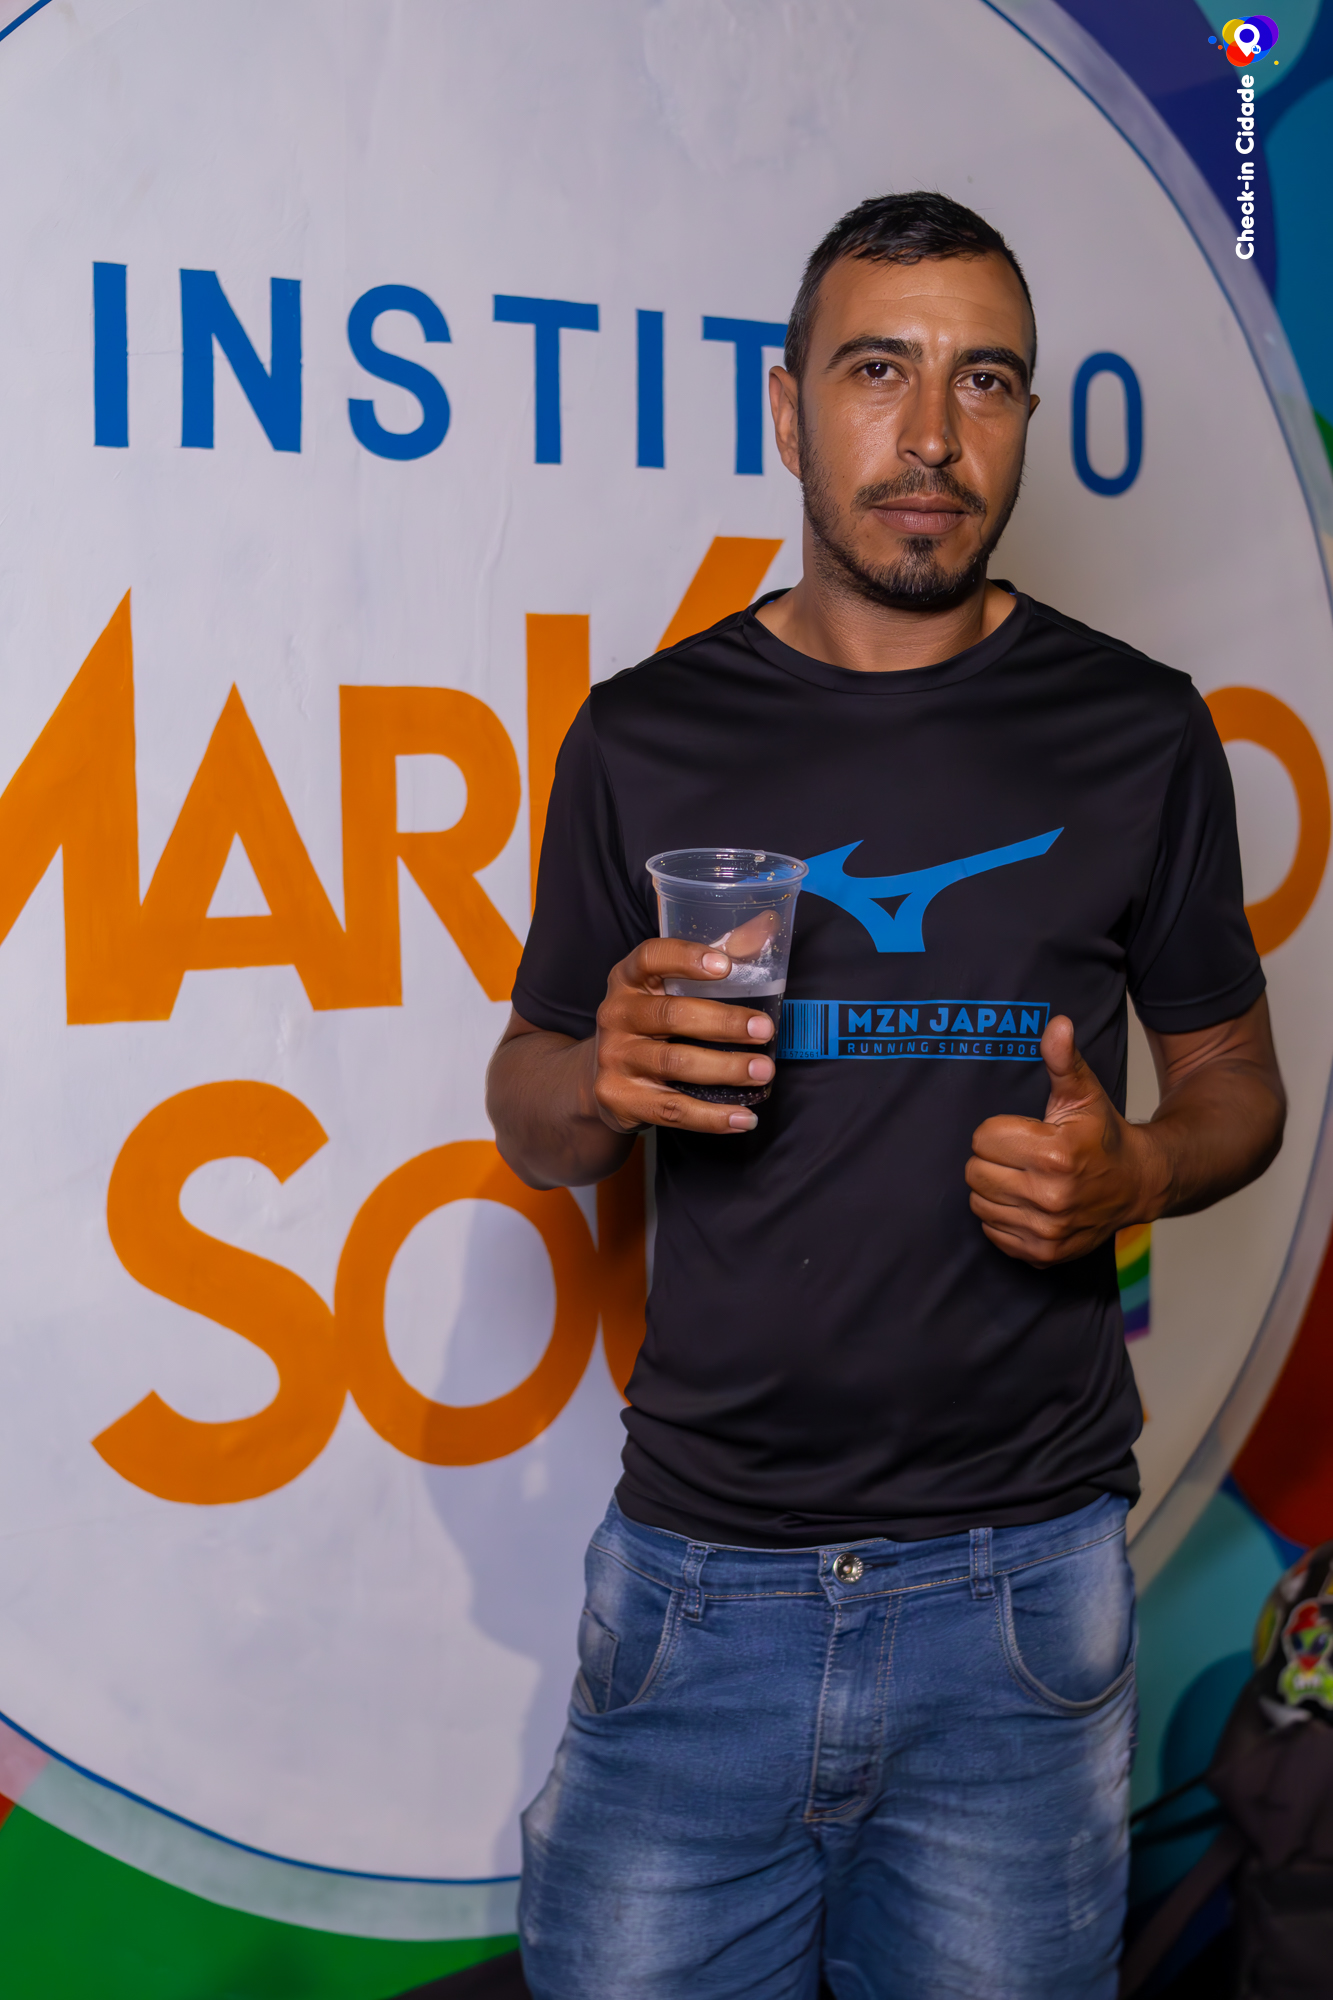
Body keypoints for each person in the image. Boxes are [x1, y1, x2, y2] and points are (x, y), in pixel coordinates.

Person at [485, 192, 1286, 2000]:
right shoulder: (643, 735)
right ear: (787, 411)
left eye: (981, 380)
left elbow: (1237, 1081)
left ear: (1024, 416)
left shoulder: (1136, 731)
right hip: (697, 1596)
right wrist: (600, 1072)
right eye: (875, 371)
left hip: (1021, 1609)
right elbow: (528, 1108)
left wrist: (1140, 1169)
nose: (930, 435)